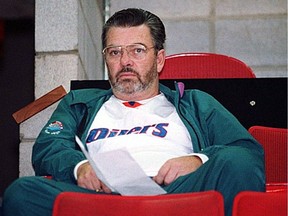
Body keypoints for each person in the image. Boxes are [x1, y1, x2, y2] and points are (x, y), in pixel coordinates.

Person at [2, 8, 265, 216]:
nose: (125, 61)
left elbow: (247, 151)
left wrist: (198, 160)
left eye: (137, 50)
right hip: (101, 199)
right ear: (106, 58)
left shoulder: (195, 103)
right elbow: (48, 147)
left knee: (237, 164)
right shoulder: (78, 103)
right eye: (115, 52)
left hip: (177, 195)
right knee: (21, 193)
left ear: (159, 59)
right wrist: (80, 167)